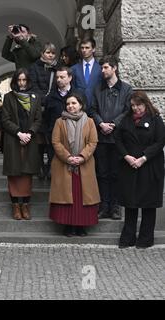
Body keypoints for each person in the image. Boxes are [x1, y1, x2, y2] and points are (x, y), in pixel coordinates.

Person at [115, 91, 165, 249]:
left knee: (148, 204)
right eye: (133, 106)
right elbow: (118, 139)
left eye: (138, 105)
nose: (135, 108)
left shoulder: (156, 120)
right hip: (130, 166)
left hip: (149, 166)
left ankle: (145, 238)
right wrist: (126, 156)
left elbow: (160, 142)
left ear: (145, 104)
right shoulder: (126, 120)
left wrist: (144, 157)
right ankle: (128, 237)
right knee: (130, 203)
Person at [88, 55, 132, 220]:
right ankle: (104, 205)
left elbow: (128, 110)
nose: (103, 70)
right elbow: (92, 110)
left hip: (118, 138)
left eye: (106, 67)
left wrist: (113, 123)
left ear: (114, 68)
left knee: (116, 173)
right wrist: (101, 124)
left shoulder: (126, 89)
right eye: (102, 68)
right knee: (102, 173)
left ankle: (115, 206)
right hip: (101, 137)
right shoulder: (98, 88)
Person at [49, 93, 100, 237]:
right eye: (68, 104)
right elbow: (56, 142)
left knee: (82, 196)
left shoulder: (89, 122)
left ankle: (81, 226)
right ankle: (67, 226)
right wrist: (68, 157)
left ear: (81, 105)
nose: (70, 106)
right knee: (67, 196)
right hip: (65, 164)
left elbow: (93, 142)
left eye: (74, 103)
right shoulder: (60, 121)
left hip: (84, 165)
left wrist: (82, 157)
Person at [2, 69, 42, 220]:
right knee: (14, 173)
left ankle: (25, 205)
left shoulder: (35, 98)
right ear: (15, 81)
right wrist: (19, 133)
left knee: (27, 173)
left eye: (24, 80)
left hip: (30, 140)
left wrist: (30, 134)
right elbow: (5, 119)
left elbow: (38, 119)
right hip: (14, 139)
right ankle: (15, 206)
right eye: (19, 80)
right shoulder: (8, 97)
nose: (22, 83)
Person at [44, 66, 84, 179]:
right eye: (57, 77)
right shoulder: (50, 97)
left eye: (62, 77)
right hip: (55, 140)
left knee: (73, 173)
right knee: (57, 172)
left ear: (70, 78)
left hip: (75, 138)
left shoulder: (78, 95)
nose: (59, 79)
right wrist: (48, 136)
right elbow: (46, 118)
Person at [29, 42, 60, 180]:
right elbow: (33, 87)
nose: (50, 55)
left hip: (54, 109)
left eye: (53, 53)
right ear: (42, 53)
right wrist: (44, 100)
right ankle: (41, 165)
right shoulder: (34, 68)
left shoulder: (58, 68)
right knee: (40, 140)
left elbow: (59, 86)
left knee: (52, 140)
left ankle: (51, 166)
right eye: (48, 52)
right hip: (39, 109)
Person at [71, 38, 102, 107]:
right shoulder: (74, 69)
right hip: (79, 108)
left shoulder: (101, 69)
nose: (84, 50)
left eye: (87, 48)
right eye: (82, 48)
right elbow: (72, 88)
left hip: (96, 107)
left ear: (93, 49)